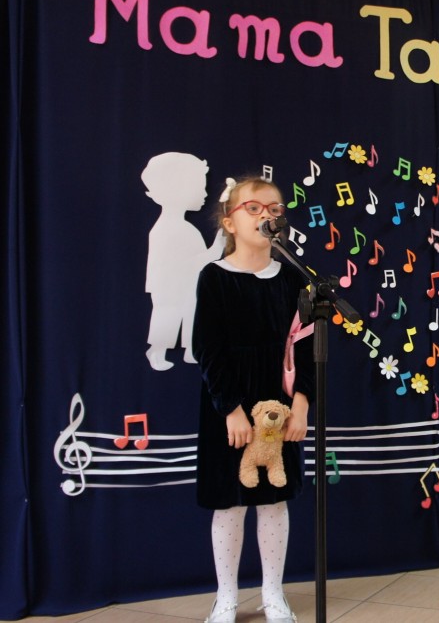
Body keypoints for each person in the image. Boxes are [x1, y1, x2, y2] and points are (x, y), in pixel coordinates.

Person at [193, 176, 314, 623]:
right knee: (229, 503)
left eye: (275, 209)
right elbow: (207, 348)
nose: (267, 216)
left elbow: (306, 347)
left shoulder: (293, 279)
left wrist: (301, 405)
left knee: (273, 499)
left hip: (277, 401)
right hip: (228, 406)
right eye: (255, 208)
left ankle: (272, 593)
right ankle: (226, 597)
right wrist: (231, 409)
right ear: (230, 221)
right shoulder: (214, 278)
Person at [142, 152, 224, 371]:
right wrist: (215, 249)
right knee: (168, 317)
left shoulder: (185, 229)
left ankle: (191, 350)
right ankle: (157, 351)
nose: (205, 194)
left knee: (192, 314)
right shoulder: (171, 229)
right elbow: (189, 263)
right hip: (169, 288)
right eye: (200, 188)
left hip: (185, 286)